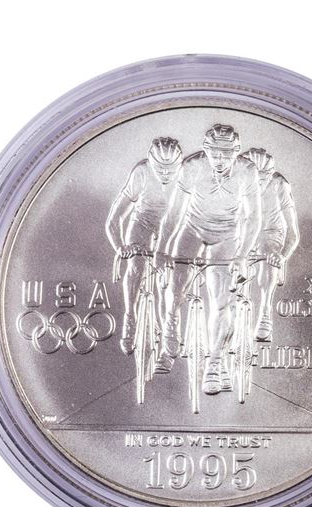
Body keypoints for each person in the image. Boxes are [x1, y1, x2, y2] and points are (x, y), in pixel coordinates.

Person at [155, 124, 261, 395]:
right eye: (215, 154)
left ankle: (215, 362)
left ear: (236, 152)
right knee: (174, 288)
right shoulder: (192, 167)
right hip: (192, 230)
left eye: (226, 154)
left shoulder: (247, 171)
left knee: (221, 302)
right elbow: (174, 213)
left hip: (227, 236)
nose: (220, 160)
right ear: (206, 151)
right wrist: (163, 250)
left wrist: (242, 255)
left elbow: (253, 218)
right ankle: (170, 333)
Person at [105, 137, 183, 355]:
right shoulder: (141, 173)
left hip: (171, 226)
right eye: (160, 169)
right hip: (142, 223)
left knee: (170, 277)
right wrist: (121, 247)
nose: (165, 174)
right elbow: (114, 219)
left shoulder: (186, 175)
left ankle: (168, 323)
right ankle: (130, 317)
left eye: (171, 170)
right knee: (136, 267)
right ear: (151, 163)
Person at [240, 148, 299, 341]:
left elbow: (293, 233)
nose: (259, 184)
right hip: (242, 232)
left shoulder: (280, 185)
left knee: (268, 254)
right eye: (255, 179)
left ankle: (265, 309)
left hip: (270, 233)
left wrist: (282, 255)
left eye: (264, 178)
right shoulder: (235, 181)